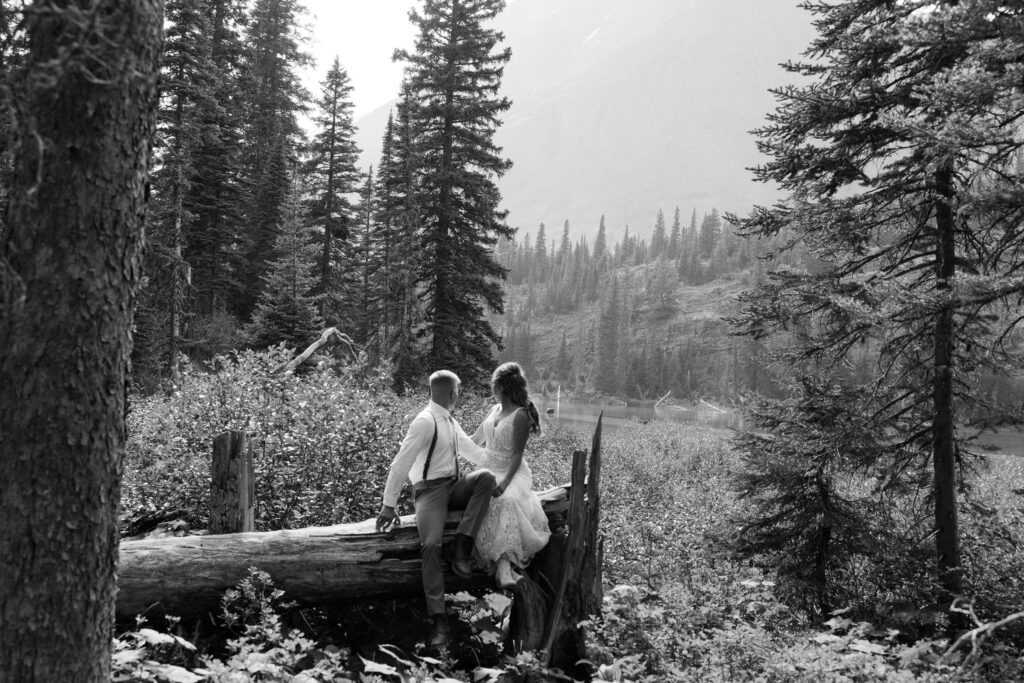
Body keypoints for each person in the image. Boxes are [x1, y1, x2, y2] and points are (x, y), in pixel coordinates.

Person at [376, 370, 496, 650]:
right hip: (429, 492)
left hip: (453, 488)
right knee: (430, 545)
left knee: (486, 478)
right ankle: (439, 621)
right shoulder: (425, 422)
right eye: (458, 390)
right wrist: (388, 504)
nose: (459, 393)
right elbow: (401, 463)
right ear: (451, 393)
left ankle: (461, 547)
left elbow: (473, 452)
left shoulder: (449, 421)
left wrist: (506, 468)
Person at [470, 362, 551, 589]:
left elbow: (517, 455)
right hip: (486, 468)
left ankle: (504, 569)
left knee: (505, 501)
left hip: (511, 471)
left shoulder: (521, 415)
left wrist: (505, 483)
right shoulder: (494, 410)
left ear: (501, 387)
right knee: (479, 500)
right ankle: (505, 572)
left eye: (494, 385)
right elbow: (475, 440)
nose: (492, 389)